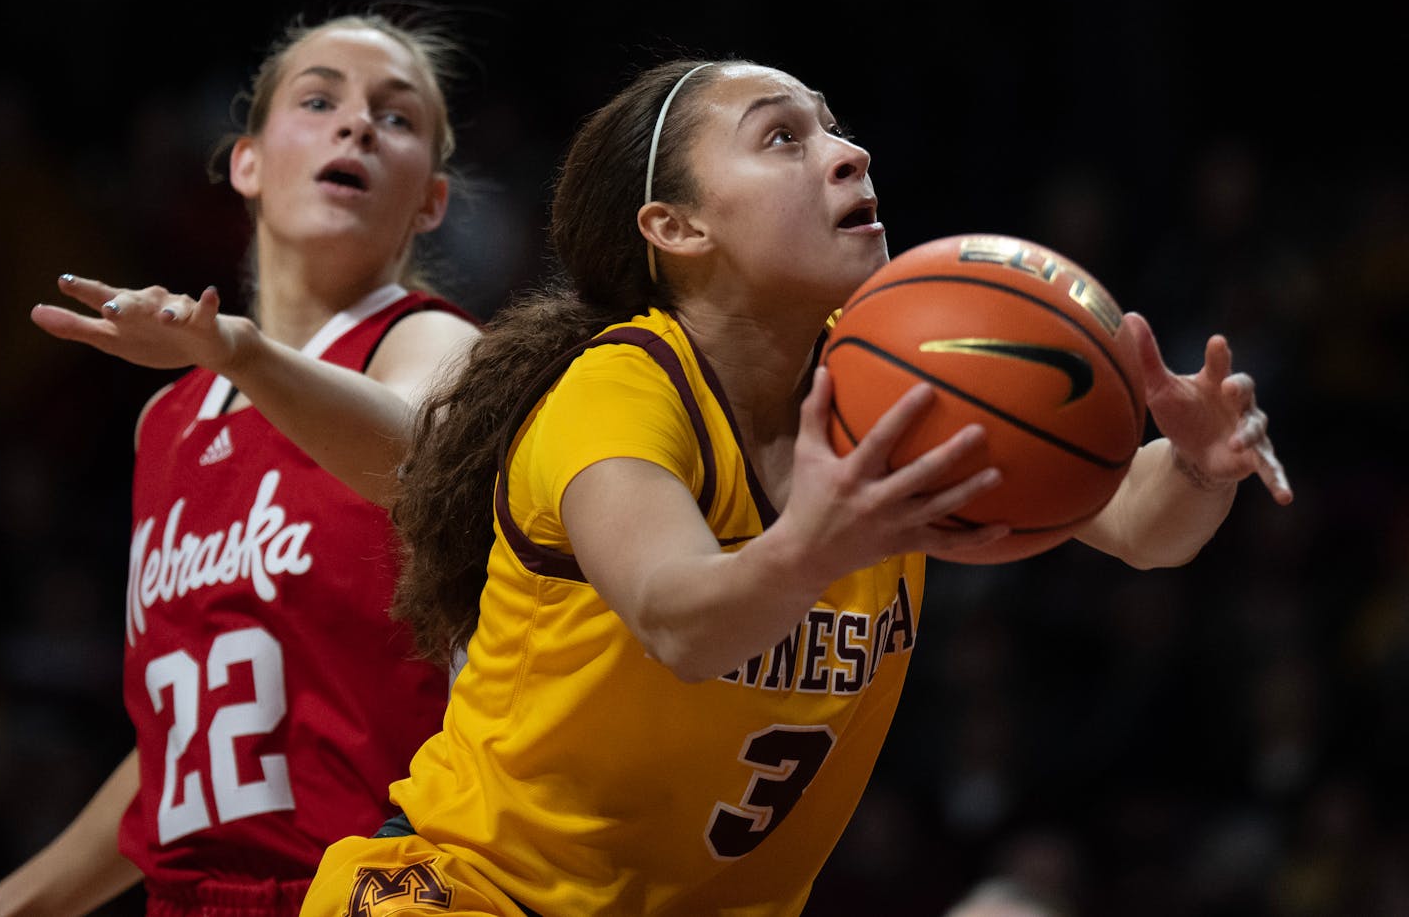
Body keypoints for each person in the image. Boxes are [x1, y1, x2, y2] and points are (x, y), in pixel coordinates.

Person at [293, 55, 1291, 917]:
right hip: (470, 889)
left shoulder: (894, 389)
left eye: (836, 130)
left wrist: (1202, 459)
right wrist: (816, 542)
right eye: (780, 138)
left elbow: (1140, 526)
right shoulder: (620, 386)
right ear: (676, 226)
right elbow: (676, 614)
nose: (847, 154)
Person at [0, 7, 483, 917]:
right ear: (246, 163)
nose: (358, 123)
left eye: (397, 116)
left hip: (381, 893)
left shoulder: (433, 344)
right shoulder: (166, 422)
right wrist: (22, 900)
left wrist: (239, 352)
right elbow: (187, 747)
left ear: (430, 201)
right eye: (320, 98)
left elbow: (420, 460)